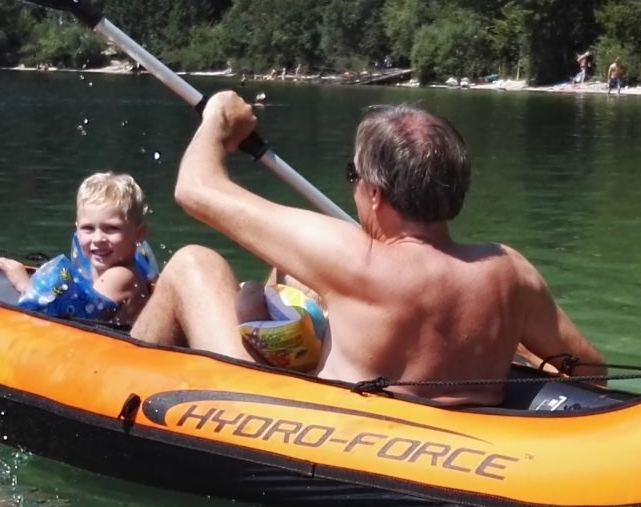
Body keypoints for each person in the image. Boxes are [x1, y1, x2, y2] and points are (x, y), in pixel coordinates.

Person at [130, 93, 604, 405]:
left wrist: (218, 118)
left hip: (322, 431)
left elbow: (194, 189)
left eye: (352, 176)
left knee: (195, 263)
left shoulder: (355, 258)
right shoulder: (509, 272)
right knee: (286, 278)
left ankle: (114, 391)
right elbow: (590, 371)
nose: (353, 187)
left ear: (375, 193)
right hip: (456, 450)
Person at [0, 171, 157, 326]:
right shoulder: (121, 267)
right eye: (88, 228)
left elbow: (75, 319)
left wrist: (25, 285)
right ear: (77, 228)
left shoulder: (120, 275)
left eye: (111, 228)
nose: (98, 239)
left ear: (139, 233)